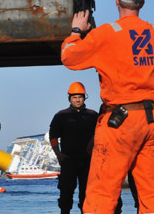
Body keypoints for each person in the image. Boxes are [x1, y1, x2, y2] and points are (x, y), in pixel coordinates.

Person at [60, 0, 154, 213]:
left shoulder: (107, 34)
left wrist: (76, 31)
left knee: (102, 192)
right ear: (142, 3)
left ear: (116, 1)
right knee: (151, 192)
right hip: (152, 119)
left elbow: (68, 57)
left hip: (122, 121)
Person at [49, 82, 98, 214]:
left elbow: (101, 134)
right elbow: (53, 136)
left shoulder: (93, 115)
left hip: (87, 161)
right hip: (68, 160)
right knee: (65, 195)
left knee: (87, 195)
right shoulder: (61, 115)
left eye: (80, 97)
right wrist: (58, 154)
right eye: (74, 97)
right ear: (69, 98)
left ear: (84, 97)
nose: (77, 99)